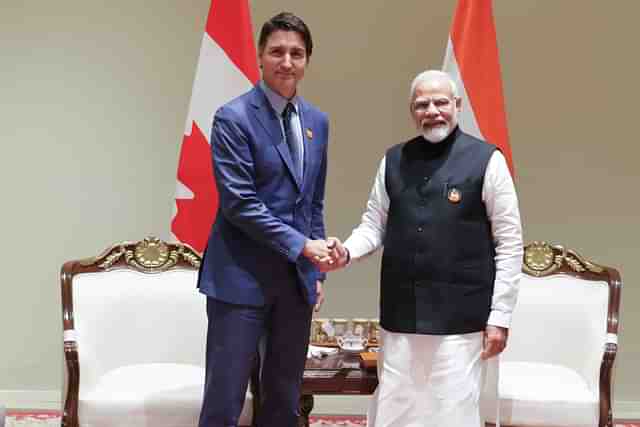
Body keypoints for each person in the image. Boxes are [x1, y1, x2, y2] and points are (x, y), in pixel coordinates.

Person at [326, 70, 523, 427]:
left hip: (460, 322)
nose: (432, 110)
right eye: (422, 104)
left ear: (457, 106)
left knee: (450, 413)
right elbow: (373, 225)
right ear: (412, 111)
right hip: (400, 318)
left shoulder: (487, 160)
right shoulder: (393, 160)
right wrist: (347, 252)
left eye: (441, 102)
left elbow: (509, 244)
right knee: (396, 412)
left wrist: (500, 318)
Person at [196, 12, 332, 427]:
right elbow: (240, 204)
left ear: (307, 60)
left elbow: (313, 202)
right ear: (260, 56)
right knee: (225, 401)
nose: (286, 61)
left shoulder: (317, 122)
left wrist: (317, 267)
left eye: (296, 53)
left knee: (283, 400)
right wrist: (302, 246)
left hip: (294, 283)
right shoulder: (232, 117)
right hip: (240, 281)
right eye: (277, 52)